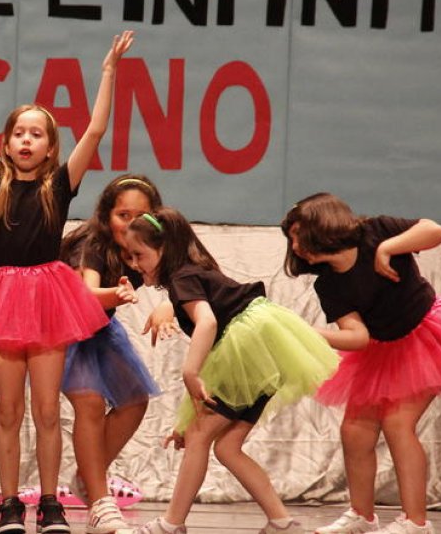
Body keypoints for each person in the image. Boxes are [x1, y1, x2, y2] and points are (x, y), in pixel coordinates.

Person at [0, 25, 132, 534]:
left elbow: (95, 131)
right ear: (7, 143)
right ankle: (10, 503)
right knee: (8, 411)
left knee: (47, 411)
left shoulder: (60, 183)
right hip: (3, 297)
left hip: (48, 296)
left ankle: (51, 502)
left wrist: (108, 72)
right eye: (20, 133)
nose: (27, 140)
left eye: (37, 134)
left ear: (51, 146)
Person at [281, 193, 441, 534]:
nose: (295, 245)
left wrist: (387, 248)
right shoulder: (330, 283)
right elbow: (357, 336)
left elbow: (434, 231)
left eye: (298, 235)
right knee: (354, 429)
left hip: (426, 337)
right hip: (380, 350)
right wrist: (307, 333)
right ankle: (362, 516)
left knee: (398, 423)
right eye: (291, 238)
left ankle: (416, 522)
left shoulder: (376, 231)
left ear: (322, 225)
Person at [121, 207, 338, 534]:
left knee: (199, 435)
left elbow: (207, 323)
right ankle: (282, 522)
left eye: (139, 255)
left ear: (164, 249)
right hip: (264, 348)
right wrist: (185, 420)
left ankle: (171, 524)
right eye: (130, 256)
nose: (134, 264)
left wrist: (190, 372)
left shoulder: (182, 278)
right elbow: (220, 361)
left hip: (251, 346)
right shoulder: (195, 272)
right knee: (226, 447)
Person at [57, 174, 165, 532]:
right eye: (122, 215)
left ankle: (87, 478)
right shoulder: (91, 244)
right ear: (106, 216)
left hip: (100, 328)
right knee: (89, 404)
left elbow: (183, 277)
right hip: (66, 328)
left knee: (134, 400)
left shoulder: (147, 246)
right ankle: (100, 502)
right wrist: (116, 295)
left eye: (140, 216)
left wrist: (167, 307)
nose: (130, 224)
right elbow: (85, 295)